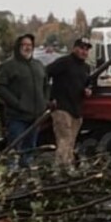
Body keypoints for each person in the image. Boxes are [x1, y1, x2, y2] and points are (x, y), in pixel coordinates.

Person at [0, 33, 48, 168]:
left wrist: (45, 101)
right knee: (14, 148)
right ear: (18, 47)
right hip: (17, 117)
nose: (27, 47)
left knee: (30, 148)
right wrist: (17, 103)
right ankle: (11, 176)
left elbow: (46, 85)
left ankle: (27, 174)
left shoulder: (38, 65)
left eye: (29, 45)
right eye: (24, 45)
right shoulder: (9, 66)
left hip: (36, 117)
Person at [46, 37, 93, 170]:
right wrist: (49, 97)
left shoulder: (86, 68)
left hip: (76, 109)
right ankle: (61, 170)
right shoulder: (64, 62)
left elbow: (87, 84)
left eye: (86, 49)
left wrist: (88, 90)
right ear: (74, 48)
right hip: (61, 107)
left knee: (71, 142)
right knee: (64, 140)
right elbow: (45, 73)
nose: (84, 52)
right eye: (81, 48)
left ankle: (68, 169)